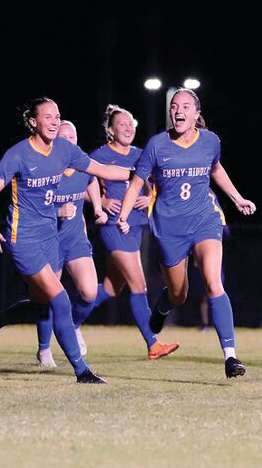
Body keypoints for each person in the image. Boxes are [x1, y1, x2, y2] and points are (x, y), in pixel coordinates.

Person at [0, 97, 130, 384]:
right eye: (47, 117)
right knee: (60, 300)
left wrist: (139, 174)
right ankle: (81, 370)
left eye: (57, 116)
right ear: (33, 122)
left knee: (42, 304)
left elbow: (102, 170)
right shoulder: (18, 154)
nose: (53, 121)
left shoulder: (64, 149)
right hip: (23, 238)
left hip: (50, 236)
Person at [115, 88, 256, 378]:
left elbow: (216, 169)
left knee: (213, 281)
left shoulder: (210, 141)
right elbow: (136, 182)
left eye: (185, 106)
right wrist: (124, 215)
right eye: (174, 106)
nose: (178, 110)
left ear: (196, 113)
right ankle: (164, 305)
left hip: (205, 219)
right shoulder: (156, 145)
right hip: (169, 228)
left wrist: (238, 198)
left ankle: (230, 357)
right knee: (179, 295)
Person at [71, 104, 179, 360]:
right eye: (122, 124)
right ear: (110, 130)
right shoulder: (98, 155)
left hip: (136, 226)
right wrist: (100, 203)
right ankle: (153, 345)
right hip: (113, 227)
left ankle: (67, 322)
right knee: (138, 285)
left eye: (131, 123)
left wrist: (150, 196)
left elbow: (157, 183)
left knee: (110, 289)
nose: (128, 127)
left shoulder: (142, 154)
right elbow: (76, 182)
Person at [34, 120, 107, 368]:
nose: (68, 142)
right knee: (48, 298)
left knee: (89, 292)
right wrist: (56, 210)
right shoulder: (44, 169)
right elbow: (30, 206)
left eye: (72, 138)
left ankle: (73, 326)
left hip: (75, 240)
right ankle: (44, 350)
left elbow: (93, 180)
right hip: (49, 241)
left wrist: (97, 207)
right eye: (62, 138)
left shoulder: (81, 164)